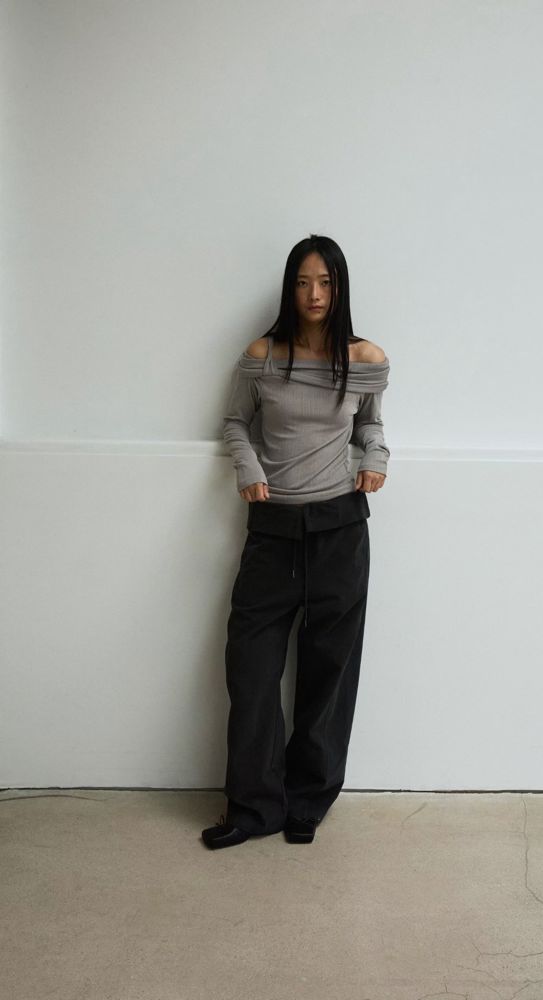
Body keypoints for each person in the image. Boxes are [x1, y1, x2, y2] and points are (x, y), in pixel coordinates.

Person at [201, 234, 390, 849]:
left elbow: (370, 426)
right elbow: (235, 422)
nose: (314, 294)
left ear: (340, 288)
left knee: (328, 673)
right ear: (290, 288)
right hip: (273, 530)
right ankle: (253, 808)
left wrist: (377, 457)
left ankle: (307, 802)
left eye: (326, 283)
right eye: (304, 282)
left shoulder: (365, 359)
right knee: (252, 672)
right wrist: (248, 467)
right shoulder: (262, 356)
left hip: (340, 529)